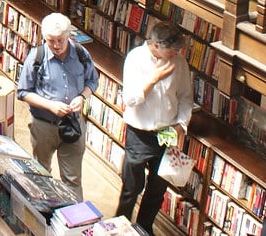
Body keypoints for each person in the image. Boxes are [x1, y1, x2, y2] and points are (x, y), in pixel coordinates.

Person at [115, 20, 194, 235]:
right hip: (139, 134)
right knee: (132, 188)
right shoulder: (135, 59)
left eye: (179, 49)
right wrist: (154, 79)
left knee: (157, 189)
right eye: (173, 49)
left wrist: (181, 124)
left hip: (166, 134)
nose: (177, 53)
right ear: (156, 44)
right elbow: (131, 100)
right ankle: (118, 229)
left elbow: (186, 98)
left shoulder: (179, 62)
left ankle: (143, 228)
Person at [16, 12, 98, 201]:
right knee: (41, 173)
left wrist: (82, 97)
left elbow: (92, 81)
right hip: (44, 126)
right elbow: (23, 92)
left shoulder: (81, 54)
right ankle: (43, 216)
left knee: (73, 179)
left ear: (69, 35)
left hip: (73, 124)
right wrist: (50, 106)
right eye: (50, 41)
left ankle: (73, 223)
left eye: (60, 40)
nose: (56, 45)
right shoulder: (36, 57)